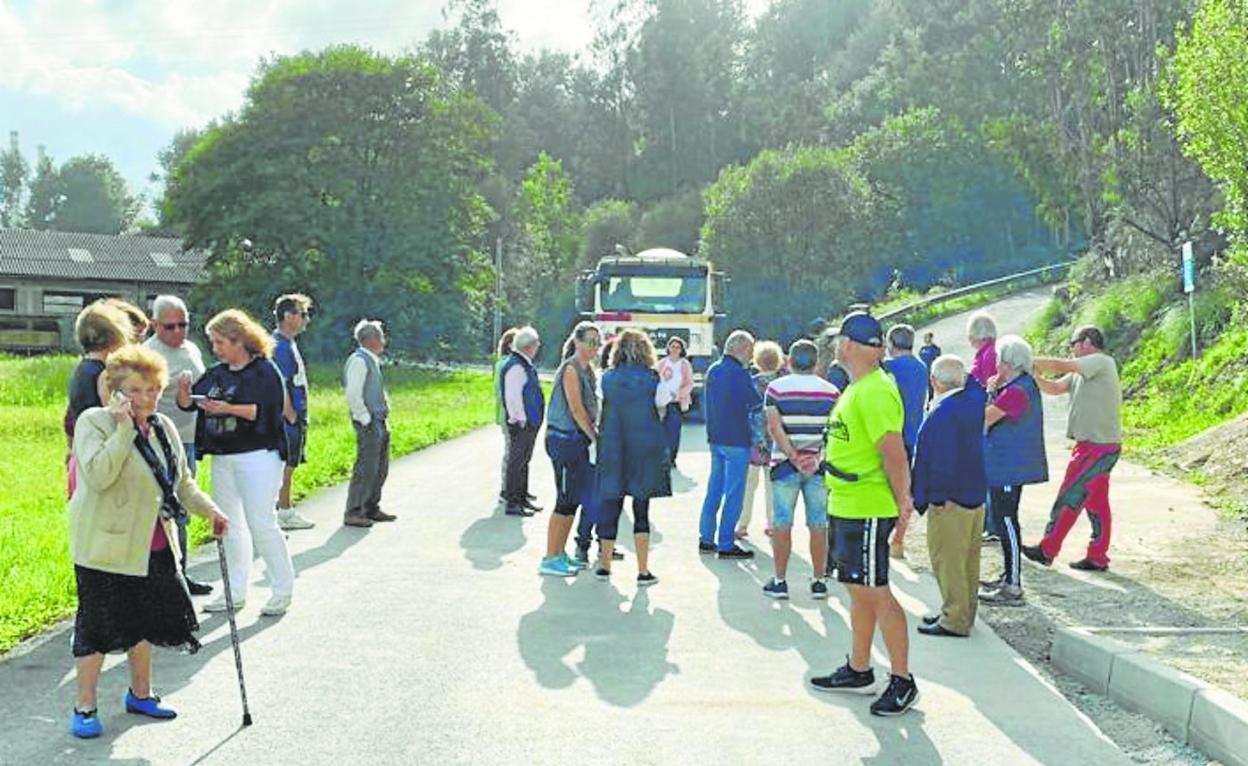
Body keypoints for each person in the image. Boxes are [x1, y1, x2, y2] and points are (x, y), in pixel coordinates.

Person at [68, 346, 229, 739]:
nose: (147, 398)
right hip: (104, 548)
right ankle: (84, 707)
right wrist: (124, 429)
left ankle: (141, 694)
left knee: (144, 623)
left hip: (154, 544)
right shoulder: (95, 422)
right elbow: (99, 475)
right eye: (136, 390)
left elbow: (181, 482)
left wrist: (212, 511)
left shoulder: (162, 427)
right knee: (97, 629)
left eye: (153, 389)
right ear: (116, 390)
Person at [809, 312, 918, 717]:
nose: (837, 347)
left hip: (868, 508)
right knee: (857, 588)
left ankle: (903, 679)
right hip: (847, 504)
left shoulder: (874, 391)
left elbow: (893, 452)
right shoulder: (858, 388)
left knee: (877, 591)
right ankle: (859, 667)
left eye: (840, 340)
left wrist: (902, 503)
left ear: (850, 346)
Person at [179, 309, 295, 616]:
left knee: (261, 523)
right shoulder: (218, 372)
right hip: (223, 456)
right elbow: (190, 402)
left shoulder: (265, 370)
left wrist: (228, 408)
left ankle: (282, 589)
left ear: (239, 340)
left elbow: (267, 412)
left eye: (219, 342)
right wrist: (185, 394)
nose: (215, 349)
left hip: (258, 454)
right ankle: (234, 589)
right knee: (228, 524)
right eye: (213, 343)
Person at [1024, 325, 1122, 572]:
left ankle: (1047, 549)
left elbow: (1061, 366)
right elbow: (1054, 388)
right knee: (1096, 504)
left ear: (1087, 342)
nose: (1072, 349)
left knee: (1070, 496)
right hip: (1093, 446)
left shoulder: (1100, 361)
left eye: (1073, 343)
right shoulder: (1082, 371)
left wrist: (1026, 360)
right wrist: (1035, 376)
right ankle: (1098, 556)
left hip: (1097, 448)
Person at [911, 355, 987, 638]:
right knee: (969, 559)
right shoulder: (974, 400)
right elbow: (977, 385)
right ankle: (965, 611)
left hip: (949, 497)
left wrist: (927, 497)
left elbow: (935, 459)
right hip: (975, 491)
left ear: (934, 381)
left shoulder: (942, 412)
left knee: (947, 559)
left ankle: (953, 618)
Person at [143, 295, 213, 596]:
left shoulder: (192, 348)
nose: (178, 332)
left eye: (183, 324)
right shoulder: (147, 354)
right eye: (169, 327)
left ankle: (181, 575)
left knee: (183, 504)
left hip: (188, 437)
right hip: (158, 440)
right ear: (154, 324)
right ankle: (161, 579)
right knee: (163, 507)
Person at [760, 339, 840, 600]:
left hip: (784, 465)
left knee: (782, 522)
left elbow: (774, 427)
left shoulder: (775, 389)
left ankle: (780, 580)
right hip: (818, 466)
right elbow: (834, 433)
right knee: (819, 523)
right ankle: (818, 580)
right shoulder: (831, 392)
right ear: (817, 363)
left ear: (789, 361)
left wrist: (793, 456)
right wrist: (815, 457)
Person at [595, 328, 671, 585]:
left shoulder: (606, 378)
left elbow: (599, 409)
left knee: (611, 505)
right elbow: (662, 408)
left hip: (613, 447)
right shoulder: (653, 379)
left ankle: (604, 565)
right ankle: (642, 569)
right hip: (644, 449)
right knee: (641, 509)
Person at [980, 336, 1048, 605]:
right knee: (1004, 519)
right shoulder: (1020, 387)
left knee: (1006, 520)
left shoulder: (1017, 391)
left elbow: (985, 418)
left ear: (1007, 363)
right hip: (1007, 464)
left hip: (1008, 466)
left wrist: (989, 392)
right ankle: (1009, 575)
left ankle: (1013, 584)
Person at [539, 322, 601, 578]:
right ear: (577, 342)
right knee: (564, 500)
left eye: (597, 343)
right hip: (563, 440)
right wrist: (595, 437)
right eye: (590, 342)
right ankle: (550, 557)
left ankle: (561, 553)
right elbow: (576, 410)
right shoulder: (571, 369)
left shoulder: (589, 371)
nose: (594, 347)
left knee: (574, 499)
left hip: (577, 443)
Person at [699, 329, 760, 559]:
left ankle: (706, 537)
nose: (751, 355)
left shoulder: (714, 370)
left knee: (714, 488)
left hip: (716, 437)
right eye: (750, 350)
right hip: (737, 439)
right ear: (742, 349)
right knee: (734, 492)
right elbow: (753, 402)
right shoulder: (740, 374)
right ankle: (725, 542)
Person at [65, 302, 133, 498]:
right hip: (100, 457)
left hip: (81, 453)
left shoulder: (81, 370)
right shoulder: (104, 375)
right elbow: (111, 417)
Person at [342, 319, 396, 527]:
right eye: (381, 337)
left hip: (379, 419)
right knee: (366, 466)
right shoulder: (359, 360)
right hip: (369, 420)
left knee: (379, 466)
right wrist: (364, 417)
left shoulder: (371, 360)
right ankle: (354, 510)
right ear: (372, 339)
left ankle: (371, 507)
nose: (383, 341)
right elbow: (353, 394)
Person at [271, 293, 316, 531]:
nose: (306, 319)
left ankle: (284, 508)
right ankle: (284, 511)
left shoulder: (289, 343)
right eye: (303, 314)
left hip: (296, 414)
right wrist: (290, 413)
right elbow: (281, 381)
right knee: (286, 464)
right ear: (288, 316)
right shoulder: (279, 346)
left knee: (291, 463)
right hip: (288, 417)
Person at [737, 340, 783, 539]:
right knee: (772, 485)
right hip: (776, 439)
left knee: (748, 484)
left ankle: (742, 524)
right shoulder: (782, 384)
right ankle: (772, 523)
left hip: (754, 440)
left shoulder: (750, 382)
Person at [500, 326, 546, 517]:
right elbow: (513, 397)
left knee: (523, 461)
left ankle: (521, 497)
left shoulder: (521, 363)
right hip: (521, 423)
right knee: (517, 462)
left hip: (526, 422)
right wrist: (521, 419)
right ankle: (513, 501)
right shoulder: (517, 366)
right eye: (536, 344)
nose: (538, 348)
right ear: (530, 346)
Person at [967, 310, 1000, 543]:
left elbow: (989, 386)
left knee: (986, 471)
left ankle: (991, 524)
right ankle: (990, 523)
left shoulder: (988, 354)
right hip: (985, 414)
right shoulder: (989, 351)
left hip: (985, 416)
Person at [494, 328, 525, 506]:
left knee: (516, 453)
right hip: (508, 414)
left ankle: (517, 488)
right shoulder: (505, 364)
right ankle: (506, 488)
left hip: (512, 413)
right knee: (511, 452)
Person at [655, 336, 693, 469]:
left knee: (674, 431)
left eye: (678, 347)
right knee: (661, 431)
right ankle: (661, 458)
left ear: (682, 349)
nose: (675, 349)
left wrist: (678, 394)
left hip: (676, 403)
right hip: (662, 403)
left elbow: (689, 384)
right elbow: (655, 380)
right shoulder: (661, 363)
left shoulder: (685, 364)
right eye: (672, 347)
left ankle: (672, 458)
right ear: (668, 348)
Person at [918, 332, 942, 399]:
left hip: (932, 371)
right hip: (924, 371)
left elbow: (938, 359)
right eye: (924, 337)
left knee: (934, 386)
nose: (925, 339)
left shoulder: (935, 348)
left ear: (931, 338)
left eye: (926, 337)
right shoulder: (922, 349)